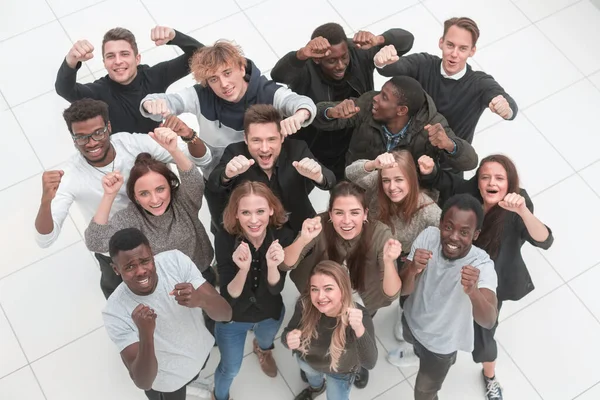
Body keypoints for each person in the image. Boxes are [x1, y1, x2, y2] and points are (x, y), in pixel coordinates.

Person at [34, 99, 211, 299]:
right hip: (115, 245)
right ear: (73, 138)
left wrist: (186, 137)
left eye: (98, 133)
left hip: (161, 232)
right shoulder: (69, 174)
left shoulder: (132, 143)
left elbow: (200, 161)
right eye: (82, 137)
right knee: (129, 302)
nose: (92, 142)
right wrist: (45, 201)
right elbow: (45, 239)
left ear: (108, 127)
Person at [417, 154, 553, 400]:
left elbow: (544, 240)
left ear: (509, 183)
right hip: (453, 274)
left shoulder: (517, 205)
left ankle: (490, 376)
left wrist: (522, 211)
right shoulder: (468, 196)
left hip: (488, 283)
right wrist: (429, 170)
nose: (492, 183)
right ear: (478, 182)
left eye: (499, 178)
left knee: (484, 334)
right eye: (485, 177)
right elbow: (444, 181)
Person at [140, 40, 317, 228]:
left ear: (241, 68)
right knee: (223, 226)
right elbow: (168, 100)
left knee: (275, 222)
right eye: (214, 79)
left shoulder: (267, 91)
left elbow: (300, 102)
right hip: (220, 178)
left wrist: (299, 115)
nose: (224, 84)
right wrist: (151, 103)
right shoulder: (200, 95)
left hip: (263, 176)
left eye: (227, 73)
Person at [282, 181, 403, 388]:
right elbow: (285, 264)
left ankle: (357, 365)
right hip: (321, 295)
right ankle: (315, 362)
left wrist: (390, 262)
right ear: (330, 213)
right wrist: (303, 239)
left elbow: (391, 294)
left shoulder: (379, 233)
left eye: (354, 213)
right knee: (320, 327)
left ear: (365, 214)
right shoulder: (319, 225)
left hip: (361, 299)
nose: (347, 221)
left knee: (357, 333)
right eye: (339, 213)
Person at [270, 22, 414, 180]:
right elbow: (278, 75)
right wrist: (302, 54)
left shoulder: (358, 51)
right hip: (314, 142)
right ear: (318, 59)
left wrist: (379, 39)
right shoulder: (306, 67)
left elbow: (407, 40)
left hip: (352, 142)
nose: (340, 66)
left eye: (344, 57)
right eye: (331, 61)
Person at [102, 228, 232, 400]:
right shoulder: (114, 311)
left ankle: (192, 382)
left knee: (196, 372)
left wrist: (201, 300)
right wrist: (145, 334)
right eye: (129, 266)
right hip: (166, 382)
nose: (141, 271)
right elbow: (143, 382)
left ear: (152, 254)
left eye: (145, 261)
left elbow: (227, 314)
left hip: (199, 352)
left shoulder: (175, 261)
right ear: (116, 269)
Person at [399, 194, 498, 400]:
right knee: (412, 344)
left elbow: (488, 320)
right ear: (440, 223)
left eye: (464, 232)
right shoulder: (429, 236)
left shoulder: (482, 265)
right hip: (411, 320)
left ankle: (444, 359)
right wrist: (412, 269)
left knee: (424, 393)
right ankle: (417, 353)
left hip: (440, 346)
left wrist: (473, 291)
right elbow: (404, 291)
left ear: (476, 234)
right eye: (448, 227)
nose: (453, 237)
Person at [345, 150, 441, 359]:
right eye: (386, 180)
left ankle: (398, 314)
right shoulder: (377, 185)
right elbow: (350, 173)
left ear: (412, 179)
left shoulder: (428, 210)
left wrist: (418, 257)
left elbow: (442, 237)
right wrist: (373, 164)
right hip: (368, 248)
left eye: (399, 179)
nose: (391, 187)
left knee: (395, 292)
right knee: (365, 299)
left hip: (401, 257)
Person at [373, 17, 517, 145]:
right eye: (450, 45)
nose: (454, 54)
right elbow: (395, 67)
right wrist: (382, 61)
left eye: (462, 48)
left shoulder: (479, 83)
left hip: (449, 161)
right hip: (409, 147)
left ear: (472, 51)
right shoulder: (423, 63)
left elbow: (509, 106)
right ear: (441, 43)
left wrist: (506, 109)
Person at [212, 181, 296, 400]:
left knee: (266, 340)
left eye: (260, 211)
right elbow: (229, 297)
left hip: (269, 312)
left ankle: (262, 349)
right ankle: (220, 397)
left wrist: (272, 265)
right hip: (233, 317)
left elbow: (276, 288)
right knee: (230, 369)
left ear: (271, 209)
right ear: (236, 214)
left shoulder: (282, 236)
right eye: (245, 212)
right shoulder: (224, 237)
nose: (254, 219)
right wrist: (243, 269)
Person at [207, 104, 336, 233]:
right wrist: (226, 175)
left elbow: (330, 180)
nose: (264, 148)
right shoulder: (234, 151)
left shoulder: (297, 148)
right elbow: (213, 184)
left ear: (282, 137)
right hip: (255, 233)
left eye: (271, 139)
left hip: (298, 228)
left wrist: (318, 176)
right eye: (256, 140)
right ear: (245, 139)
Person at [311, 76, 478, 173]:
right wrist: (331, 112)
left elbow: (470, 162)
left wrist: (449, 145)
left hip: (403, 196)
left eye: (384, 97)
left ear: (401, 110)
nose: (376, 98)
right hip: (360, 183)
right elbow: (315, 114)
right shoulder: (369, 103)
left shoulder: (432, 124)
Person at [55, 26, 203, 134]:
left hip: (158, 152)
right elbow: (64, 89)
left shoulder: (153, 76)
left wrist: (175, 36)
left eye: (124, 54)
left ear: (137, 58)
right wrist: (71, 60)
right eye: (111, 56)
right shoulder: (99, 91)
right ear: (104, 62)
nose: (118, 61)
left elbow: (203, 57)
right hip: (122, 162)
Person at [282, 260, 378, 400]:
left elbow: (370, 363)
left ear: (343, 289)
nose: (320, 297)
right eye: (314, 289)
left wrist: (359, 328)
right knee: (312, 378)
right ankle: (317, 388)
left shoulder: (358, 316)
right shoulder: (304, 305)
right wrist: (288, 339)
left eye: (328, 288)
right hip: (309, 360)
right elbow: (287, 333)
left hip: (340, 370)